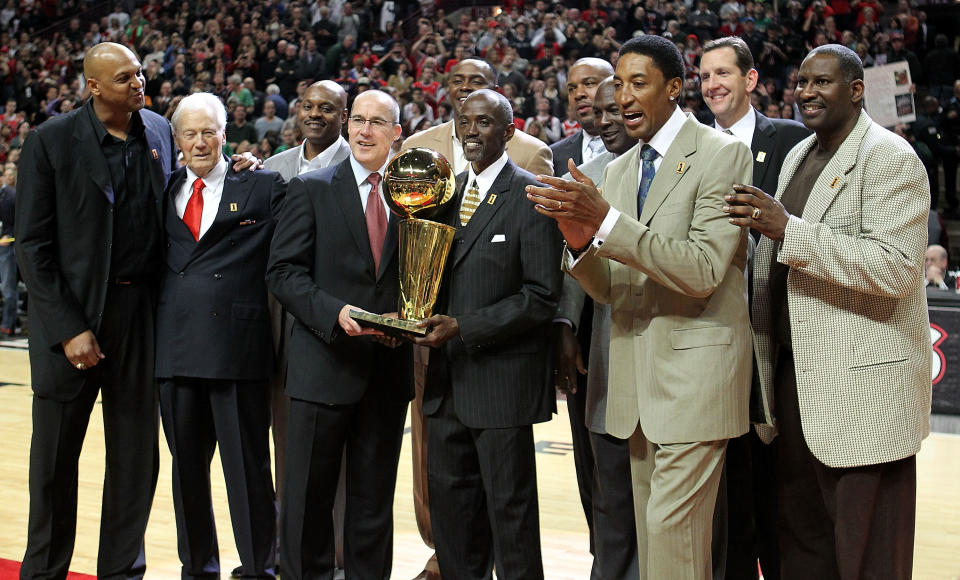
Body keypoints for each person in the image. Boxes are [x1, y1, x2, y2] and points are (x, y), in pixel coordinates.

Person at [526, 35, 753, 578]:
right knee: (658, 546)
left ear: (674, 89)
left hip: (695, 380)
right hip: (634, 385)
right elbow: (614, 288)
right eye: (619, 84)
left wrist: (605, 222)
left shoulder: (723, 154)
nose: (623, 97)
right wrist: (579, 240)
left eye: (638, 83)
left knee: (672, 538)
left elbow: (700, 270)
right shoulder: (620, 170)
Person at [723, 44, 931, 579]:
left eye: (822, 83)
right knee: (800, 546)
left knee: (868, 557)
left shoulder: (890, 156)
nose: (807, 92)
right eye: (801, 82)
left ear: (856, 90)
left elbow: (892, 270)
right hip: (795, 383)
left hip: (863, 394)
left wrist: (787, 229)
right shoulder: (799, 155)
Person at [14, 42, 178, 580]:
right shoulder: (49, 141)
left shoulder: (158, 130)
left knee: (136, 461)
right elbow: (32, 247)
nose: (139, 82)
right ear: (94, 86)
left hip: (140, 314)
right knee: (54, 464)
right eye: (125, 76)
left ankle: (122, 572)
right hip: (73, 323)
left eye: (140, 73)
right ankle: (43, 572)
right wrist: (69, 329)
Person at [399, 56, 552, 580]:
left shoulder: (532, 195)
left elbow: (540, 297)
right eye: (464, 122)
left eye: (484, 122)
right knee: (454, 518)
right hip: (443, 388)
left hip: (501, 385)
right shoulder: (439, 197)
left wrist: (466, 326)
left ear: (509, 132)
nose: (471, 131)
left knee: (511, 520)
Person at [267, 89, 412, 580]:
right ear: (348, 127)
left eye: (378, 123)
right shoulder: (312, 187)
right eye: (358, 121)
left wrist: (406, 323)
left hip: (387, 371)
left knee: (373, 506)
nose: (365, 130)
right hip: (322, 365)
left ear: (397, 133)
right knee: (307, 500)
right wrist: (335, 313)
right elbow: (283, 272)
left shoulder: (414, 196)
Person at [155, 92, 285, 580]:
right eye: (190, 133)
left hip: (237, 350)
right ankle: (198, 568)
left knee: (248, 471)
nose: (200, 141)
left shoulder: (264, 186)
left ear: (225, 135)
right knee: (187, 472)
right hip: (175, 349)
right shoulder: (162, 189)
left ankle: (258, 567)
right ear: (177, 140)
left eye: (209, 131)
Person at [698, 36, 810, 580]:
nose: (712, 85)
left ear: (750, 80)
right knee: (729, 503)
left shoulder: (792, 141)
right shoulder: (692, 149)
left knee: (783, 498)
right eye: (703, 76)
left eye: (722, 73)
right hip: (713, 338)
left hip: (782, 342)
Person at [261, 78, 351, 577]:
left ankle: (334, 554)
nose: (315, 114)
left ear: (344, 114)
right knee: (287, 449)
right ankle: (285, 549)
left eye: (327, 107)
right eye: (308, 106)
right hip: (282, 330)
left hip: (335, 325)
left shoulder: (357, 165)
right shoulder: (274, 168)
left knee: (335, 459)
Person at [555, 76, 640, 580]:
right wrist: (564, 327)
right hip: (598, 339)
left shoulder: (670, 167)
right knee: (603, 479)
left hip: (656, 335)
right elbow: (567, 260)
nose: (606, 120)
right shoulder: (582, 173)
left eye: (617, 111)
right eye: (599, 112)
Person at [548, 57, 615, 571]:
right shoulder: (557, 155)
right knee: (588, 454)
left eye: (591, 83)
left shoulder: (640, 149)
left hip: (626, 314)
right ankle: (603, 555)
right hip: (579, 323)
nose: (582, 94)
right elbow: (559, 252)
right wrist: (563, 326)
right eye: (573, 87)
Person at [550, 58, 615, 176]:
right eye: (571, 89)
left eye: (589, 83)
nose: (578, 94)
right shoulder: (554, 155)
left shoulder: (640, 145)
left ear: (614, 86)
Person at [0, 164, 16, 337]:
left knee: (8, 289)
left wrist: (10, 235)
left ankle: (7, 325)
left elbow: (20, 221)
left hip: (7, 247)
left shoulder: (11, 195)